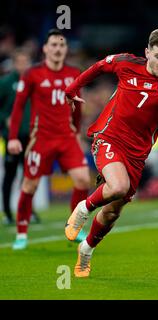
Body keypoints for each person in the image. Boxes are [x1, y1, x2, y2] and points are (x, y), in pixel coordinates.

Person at [64, 28, 158, 277]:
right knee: (117, 186)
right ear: (147, 52)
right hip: (109, 137)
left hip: (137, 155)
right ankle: (82, 210)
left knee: (111, 213)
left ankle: (86, 250)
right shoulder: (127, 63)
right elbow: (99, 66)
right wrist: (73, 89)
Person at [7, 29, 91, 250]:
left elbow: (78, 105)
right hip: (41, 137)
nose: (57, 49)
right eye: (53, 44)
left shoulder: (74, 73)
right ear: (45, 48)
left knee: (83, 179)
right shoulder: (33, 74)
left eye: (61, 45)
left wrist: (77, 131)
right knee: (29, 185)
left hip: (66, 136)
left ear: (65, 50)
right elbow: (18, 107)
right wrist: (13, 138)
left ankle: (74, 227)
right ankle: (22, 233)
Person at [0, 49, 41, 225]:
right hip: (12, 137)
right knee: (10, 175)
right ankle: (8, 213)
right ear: (15, 63)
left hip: (31, 138)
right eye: (20, 62)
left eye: (26, 62)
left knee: (30, 175)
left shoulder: (36, 83)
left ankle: (28, 211)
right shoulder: (5, 83)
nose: (23, 65)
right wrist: (5, 119)